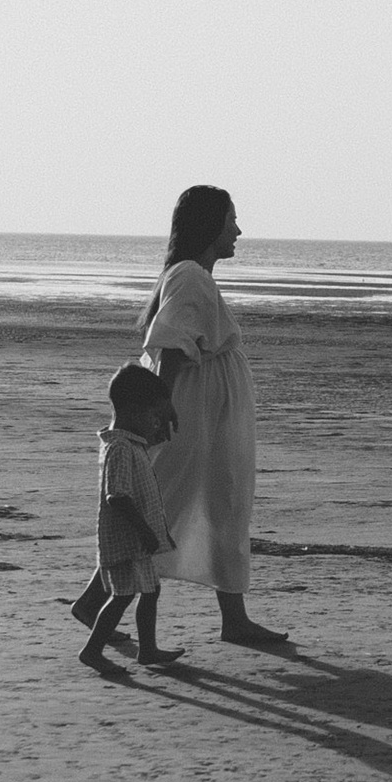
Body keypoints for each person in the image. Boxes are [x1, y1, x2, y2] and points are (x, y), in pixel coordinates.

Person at [69, 184, 289, 652]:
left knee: (214, 503)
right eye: (231, 220)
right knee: (171, 503)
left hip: (207, 411)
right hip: (194, 414)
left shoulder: (191, 275)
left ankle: (233, 616)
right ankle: (97, 599)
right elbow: (168, 344)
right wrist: (163, 409)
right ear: (210, 225)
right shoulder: (190, 276)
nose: (238, 230)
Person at [79, 361, 182, 669]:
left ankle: (147, 648)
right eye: (152, 417)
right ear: (136, 410)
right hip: (125, 541)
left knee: (151, 590)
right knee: (122, 596)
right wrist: (144, 532)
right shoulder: (119, 448)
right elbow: (117, 497)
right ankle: (93, 651)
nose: (155, 424)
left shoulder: (131, 444)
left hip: (137, 541)